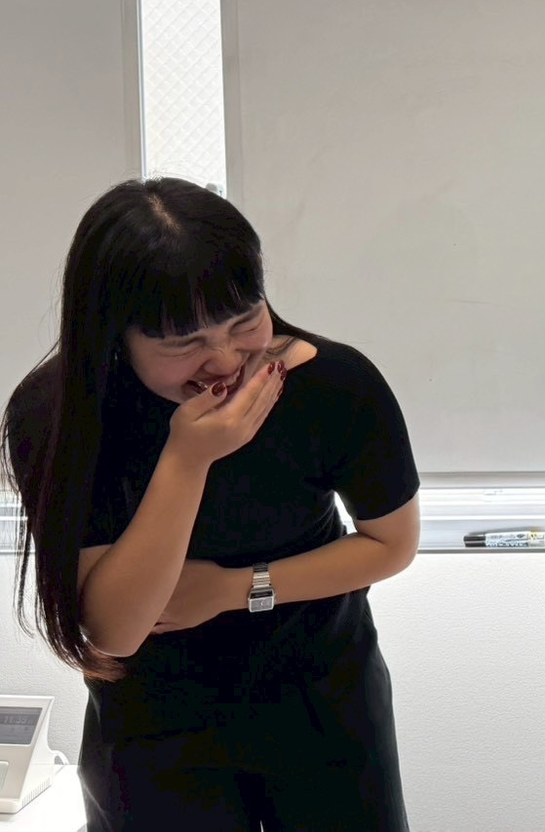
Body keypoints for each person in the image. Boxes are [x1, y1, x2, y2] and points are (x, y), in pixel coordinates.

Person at [3, 177, 420, 831]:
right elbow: (115, 631)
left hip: (321, 700)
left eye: (245, 321)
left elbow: (390, 544)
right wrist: (187, 458)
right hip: (152, 725)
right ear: (114, 334)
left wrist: (234, 589)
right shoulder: (57, 415)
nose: (224, 360)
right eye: (184, 343)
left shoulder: (337, 386)